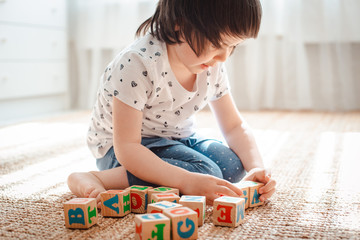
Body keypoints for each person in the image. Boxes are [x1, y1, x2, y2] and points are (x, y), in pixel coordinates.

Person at [67, 0, 276, 206]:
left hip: (177, 139)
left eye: (232, 46)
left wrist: (256, 168)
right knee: (208, 173)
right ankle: (100, 178)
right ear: (180, 23)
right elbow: (127, 147)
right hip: (126, 149)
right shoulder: (137, 63)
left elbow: (234, 126)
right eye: (216, 44)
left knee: (233, 166)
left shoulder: (212, 64)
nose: (223, 57)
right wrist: (186, 181)